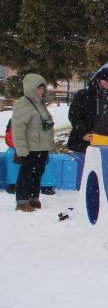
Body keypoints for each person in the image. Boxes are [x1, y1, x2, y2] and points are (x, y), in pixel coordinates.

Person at [11, 74, 54, 212]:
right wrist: (21, 149)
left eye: (43, 88)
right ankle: (22, 200)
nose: (42, 91)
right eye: (40, 88)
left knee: (38, 173)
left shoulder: (40, 104)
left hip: (42, 146)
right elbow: (18, 129)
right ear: (32, 88)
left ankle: (33, 198)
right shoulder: (24, 104)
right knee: (27, 173)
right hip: (30, 147)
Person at [65, 67, 108, 151]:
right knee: (92, 163)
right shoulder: (84, 95)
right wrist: (83, 133)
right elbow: (74, 115)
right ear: (101, 80)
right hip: (92, 139)